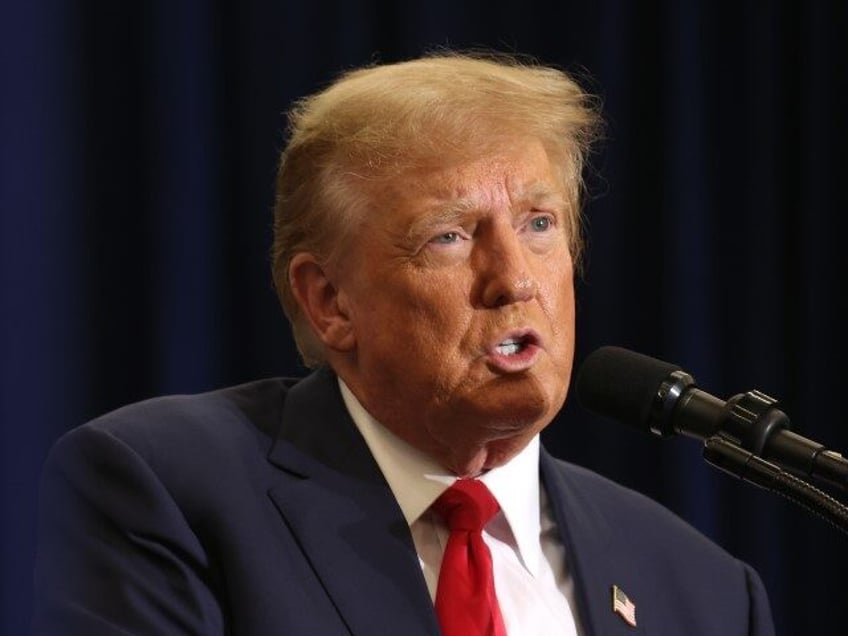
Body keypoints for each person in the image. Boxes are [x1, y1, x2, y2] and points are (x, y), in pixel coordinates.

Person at [33, 53, 775, 635]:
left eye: (539, 224)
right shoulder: (168, 494)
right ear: (330, 302)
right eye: (450, 236)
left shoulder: (702, 590)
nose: (514, 280)